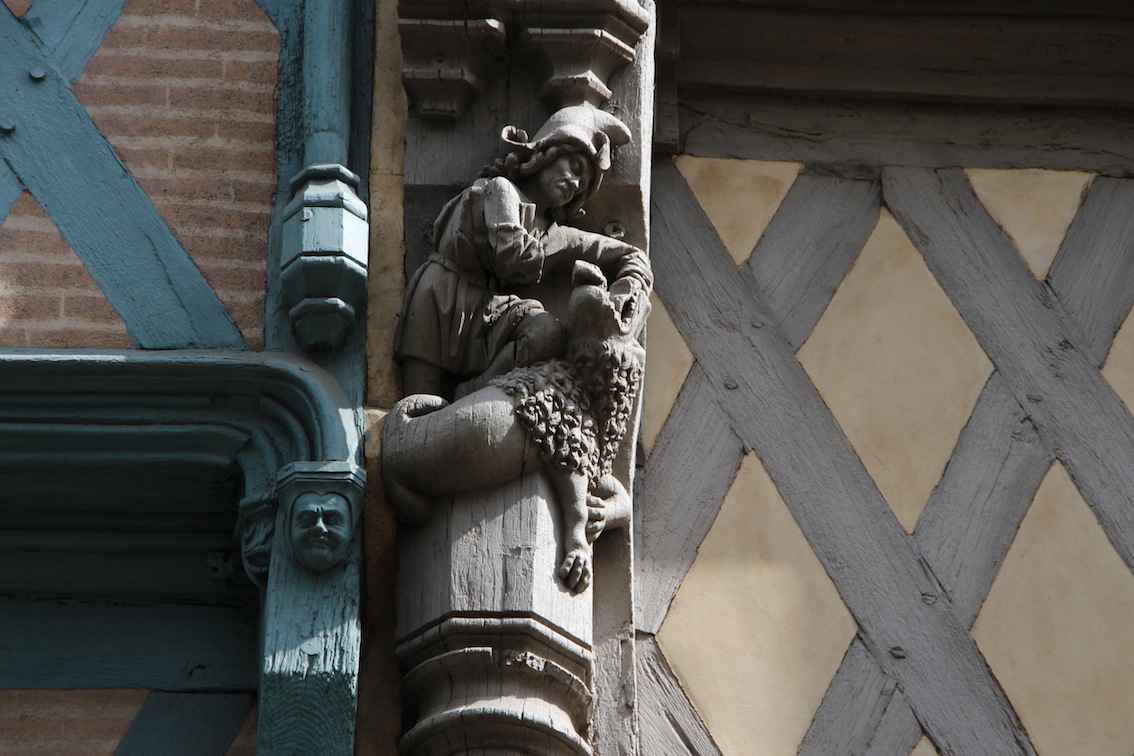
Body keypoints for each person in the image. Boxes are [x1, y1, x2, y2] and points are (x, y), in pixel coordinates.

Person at [394, 104, 651, 399]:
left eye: (581, 186)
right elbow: (512, 257)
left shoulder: (551, 232)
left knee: (547, 331)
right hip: (441, 299)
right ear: (546, 154)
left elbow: (627, 254)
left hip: (486, 310)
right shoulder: (501, 190)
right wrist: (565, 250)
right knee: (417, 405)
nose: (575, 183)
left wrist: (628, 288)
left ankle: (472, 393)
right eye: (574, 167)